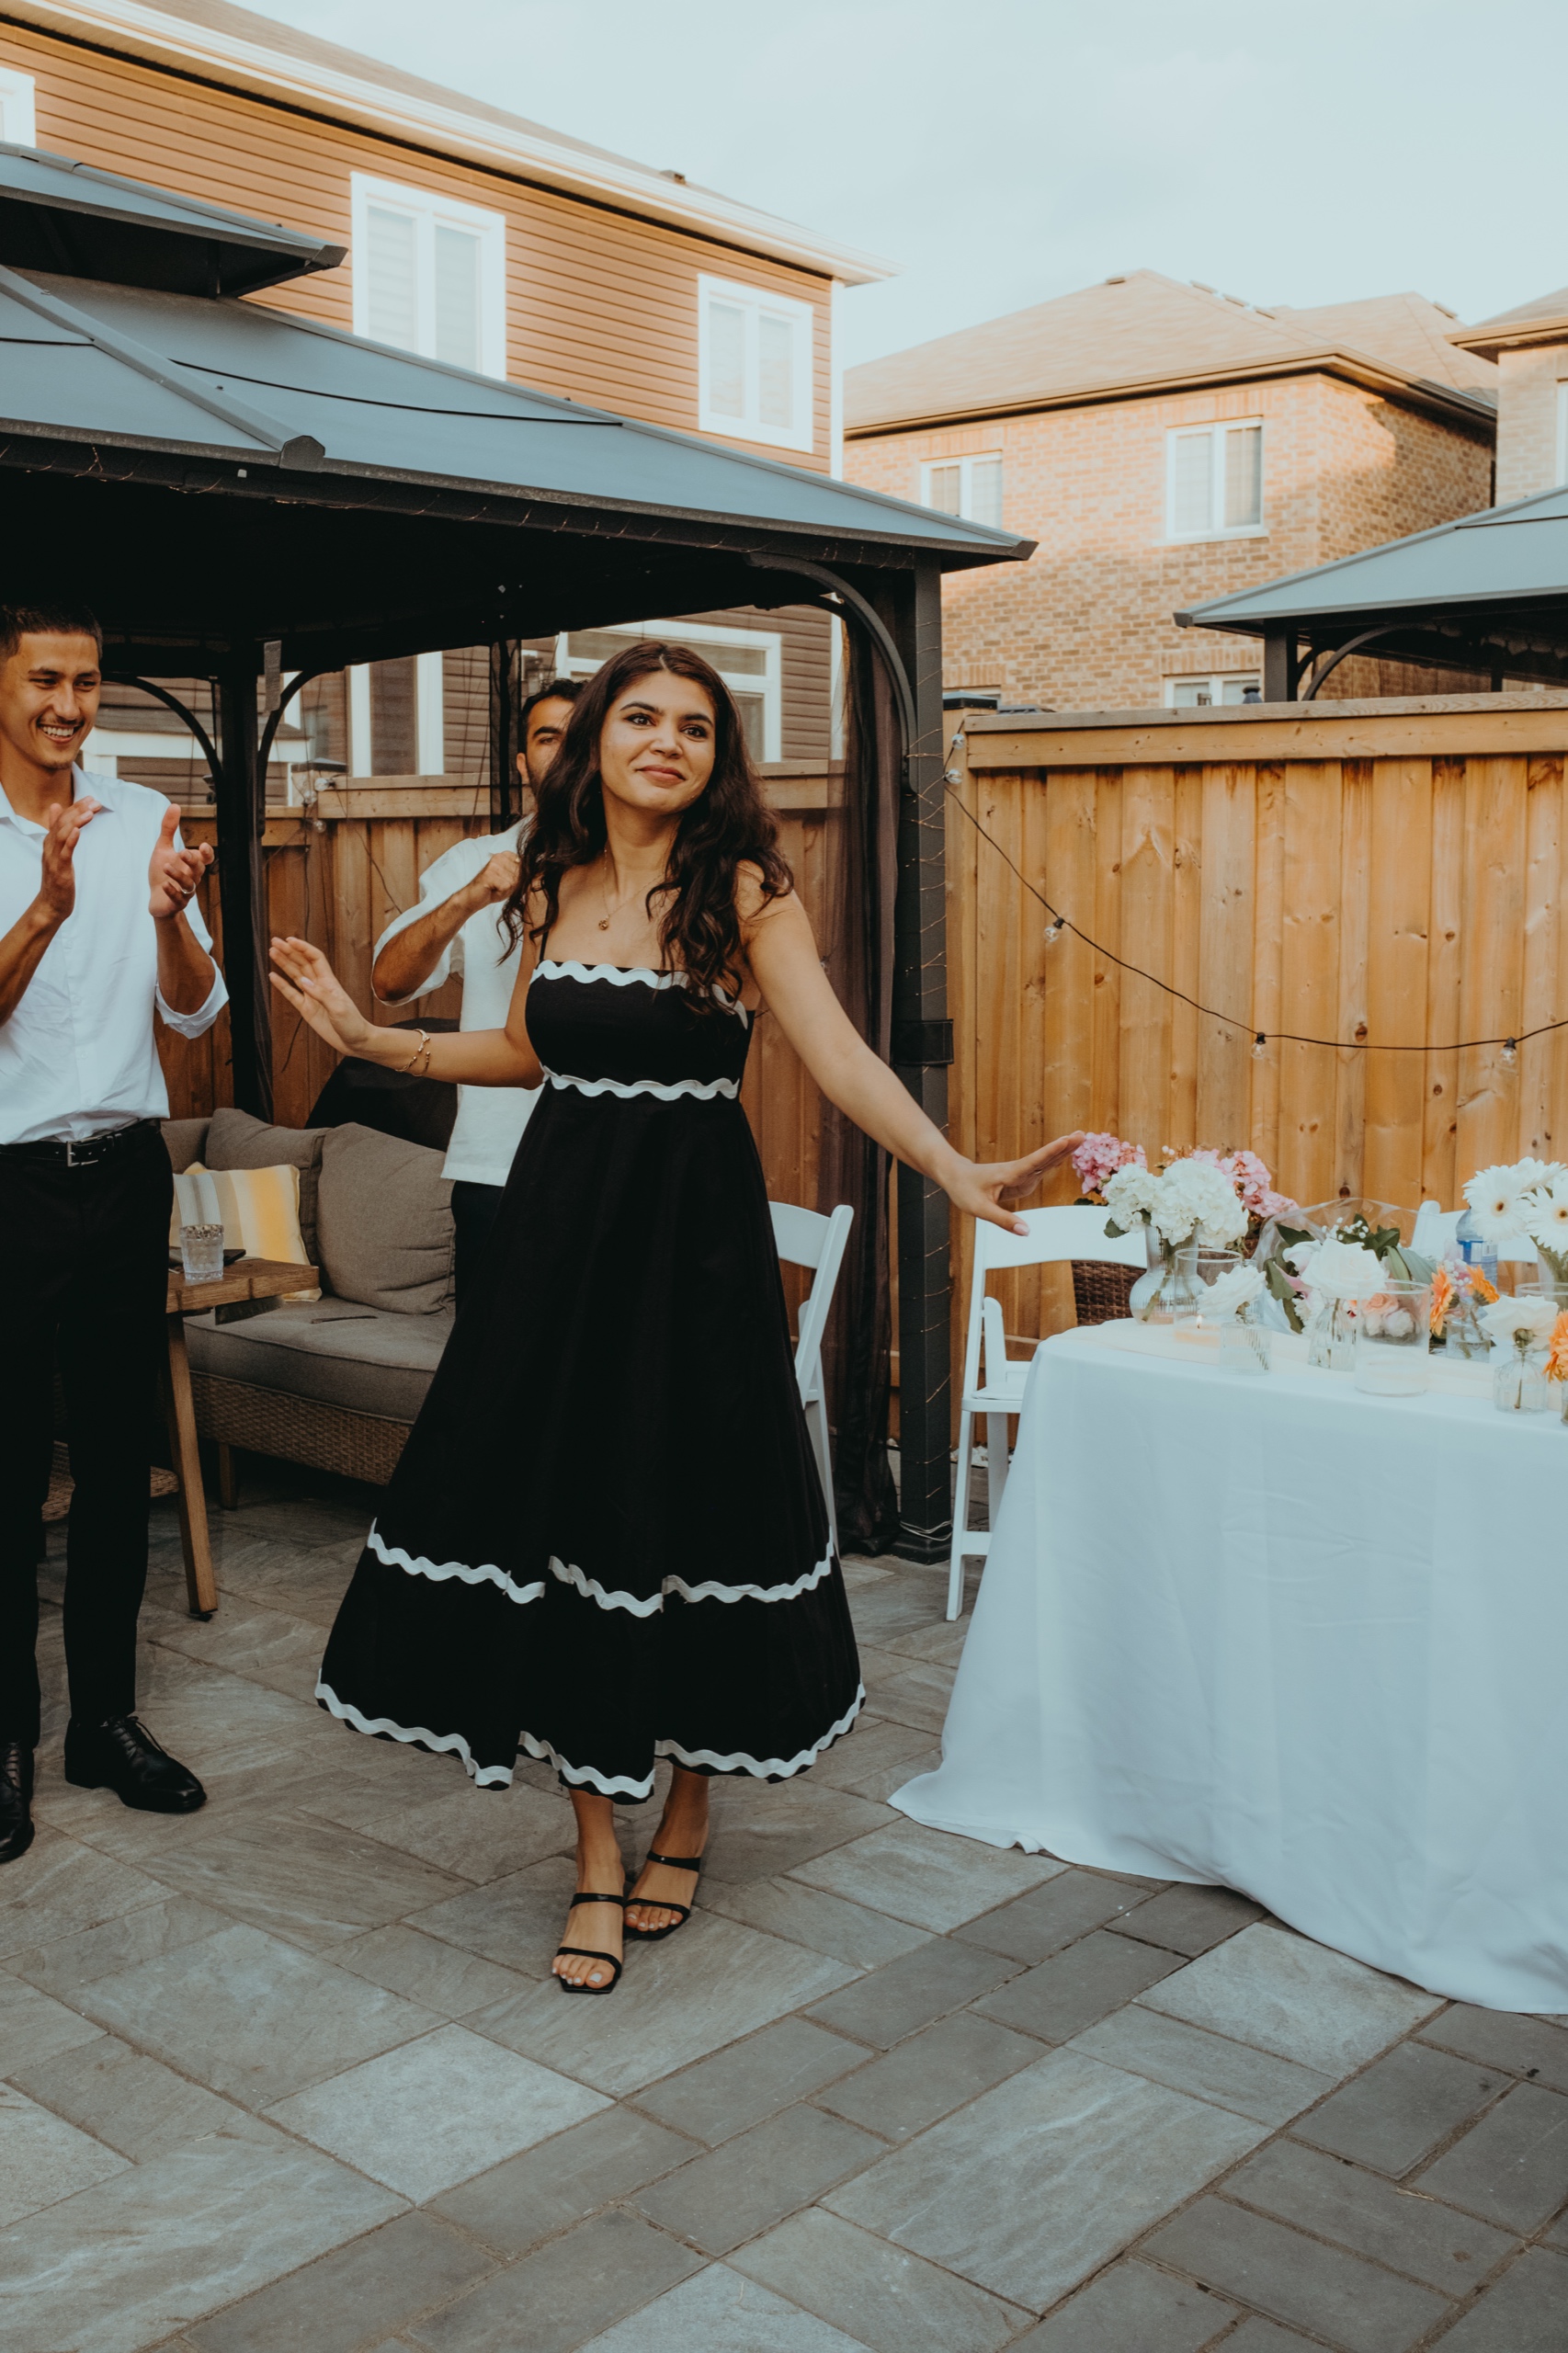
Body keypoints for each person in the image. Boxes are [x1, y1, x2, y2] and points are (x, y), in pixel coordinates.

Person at [270, 642, 1080, 1995]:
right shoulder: (547, 879)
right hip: (556, 1243)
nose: (666, 741)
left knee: (698, 1515)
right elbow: (525, 1051)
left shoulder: (743, 889)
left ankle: (690, 1806)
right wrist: (369, 1041)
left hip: (695, 1253)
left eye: (695, 727)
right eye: (640, 718)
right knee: (564, 1516)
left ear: (717, 758)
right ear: (593, 739)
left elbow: (836, 1053)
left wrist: (945, 1165)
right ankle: (595, 1849)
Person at [0, 597, 227, 1866]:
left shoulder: (146, 817)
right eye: (45, 679)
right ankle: (5, 1743)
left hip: (128, 1174)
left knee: (115, 1463)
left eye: (85, 682)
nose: (67, 705)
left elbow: (194, 1012)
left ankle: (103, 1725)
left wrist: (166, 916)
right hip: (7, 1184)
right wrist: (46, 904)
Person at [371, 680, 581, 1301]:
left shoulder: (647, 869)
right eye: (548, 737)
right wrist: (469, 899)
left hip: (614, 1164)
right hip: (499, 1162)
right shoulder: (476, 862)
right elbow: (389, 983)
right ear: (522, 762)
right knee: (492, 1353)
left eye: (581, 736)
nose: (566, 751)